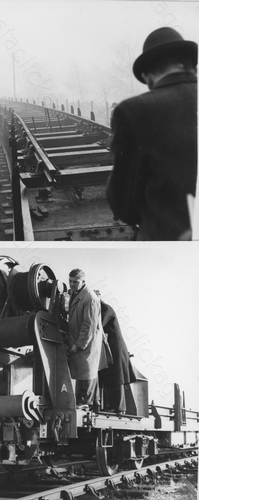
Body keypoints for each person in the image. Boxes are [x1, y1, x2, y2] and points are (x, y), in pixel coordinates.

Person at [106, 27, 198, 240]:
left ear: (148, 76)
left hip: (170, 241)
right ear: (191, 65)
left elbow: (123, 204)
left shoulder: (134, 111)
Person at [66, 269, 111, 409]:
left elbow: (89, 324)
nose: (72, 284)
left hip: (87, 341)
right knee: (82, 370)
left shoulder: (90, 297)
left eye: (76, 282)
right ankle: (84, 400)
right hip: (79, 339)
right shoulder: (75, 293)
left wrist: (79, 345)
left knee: (87, 369)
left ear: (83, 282)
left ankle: (85, 401)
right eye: (70, 281)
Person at [98, 299, 137, 413]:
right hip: (109, 346)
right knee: (110, 375)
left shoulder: (106, 309)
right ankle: (113, 405)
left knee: (117, 376)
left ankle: (120, 407)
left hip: (115, 347)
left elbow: (99, 324)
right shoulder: (102, 309)